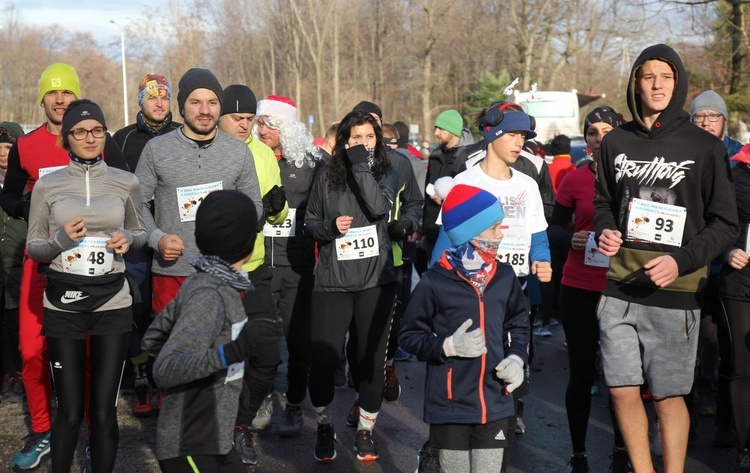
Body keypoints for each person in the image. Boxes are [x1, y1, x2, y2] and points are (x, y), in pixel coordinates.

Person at [594, 43, 739, 473]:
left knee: (667, 395)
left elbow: (725, 224)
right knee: (620, 389)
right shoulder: (615, 141)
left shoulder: (704, 146)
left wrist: (683, 260)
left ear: (678, 83)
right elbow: (604, 201)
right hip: (620, 287)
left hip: (675, 291)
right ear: (635, 83)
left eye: (666, 76)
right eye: (647, 76)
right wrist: (604, 228)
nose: (657, 85)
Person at [0, 63, 126, 471]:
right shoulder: (26, 145)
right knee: (33, 352)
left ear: (77, 98)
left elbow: (128, 194)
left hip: (94, 263)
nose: (60, 100)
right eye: (52, 93)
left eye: (67, 93)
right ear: (42, 99)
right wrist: (36, 209)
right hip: (44, 258)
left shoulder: (98, 140)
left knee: (89, 354)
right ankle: (42, 431)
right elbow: (9, 197)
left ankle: (90, 432)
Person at [26, 99, 146, 472]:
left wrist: (129, 237)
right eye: (80, 131)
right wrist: (60, 239)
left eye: (97, 130)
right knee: (71, 412)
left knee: (105, 411)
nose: (90, 137)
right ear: (68, 138)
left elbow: (142, 231)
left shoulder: (126, 182)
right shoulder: (48, 186)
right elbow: (33, 246)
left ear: (105, 134)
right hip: (64, 306)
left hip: (112, 302)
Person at [142, 189, 281, 473]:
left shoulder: (208, 281)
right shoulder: (209, 292)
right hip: (192, 444)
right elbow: (165, 368)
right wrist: (232, 351)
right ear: (250, 244)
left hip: (214, 440)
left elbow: (152, 339)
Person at [400, 183, 528, 472]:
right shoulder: (434, 281)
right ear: (471, 235)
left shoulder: (505, 276)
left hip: (496, 399)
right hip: (450, 404)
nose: (501, 234)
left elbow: (519, 324)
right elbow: (408, 336)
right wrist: (447, 346)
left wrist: (517, 359)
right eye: (494, 227)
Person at [305, 109, 398, 462]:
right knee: (323, 360)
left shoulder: (388, 170)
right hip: (333, 282)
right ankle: (325, 425)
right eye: (355, 138)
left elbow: (378, 209)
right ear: (344, 141)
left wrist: (360, 165)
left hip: (375, 281)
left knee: (370, 360)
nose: (362, 144)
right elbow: (309, 224)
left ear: (377, 140)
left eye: (369, 137)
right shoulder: (326, 176)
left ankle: (365, 430)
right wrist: (330, 227)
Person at [548, 106, 630, 472]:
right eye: (592, 132)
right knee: (581, 374)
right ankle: (579, 454)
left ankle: (621, 451)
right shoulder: (573, 179)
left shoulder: (633, 178)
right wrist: (571, 239)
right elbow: (552, 230)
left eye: (606, 131)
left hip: (620, 287)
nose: (599, 138)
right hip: (579, 285)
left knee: (620, 376)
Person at [218, 86, 289, 465]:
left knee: (266, 355)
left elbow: (277, 214)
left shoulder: (262, 153)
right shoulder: (208, 151)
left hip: (255, 266)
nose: (245, 126)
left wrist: (277, 208)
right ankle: (217, 433)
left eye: (250, 119)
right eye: (238, 119)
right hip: (214, 272)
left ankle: (240, 426)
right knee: (225, 361)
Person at [113, 72, 181, 418]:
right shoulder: (123, 139)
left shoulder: (182, 133)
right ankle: (141, 380)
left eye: (164, 97)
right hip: (136, 236)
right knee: (138, 310)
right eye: (152, 97)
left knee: (170, 311)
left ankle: (168, 382)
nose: (159, 102)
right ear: (140, 101)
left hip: (174, 236)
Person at [254, 94, 321, 441]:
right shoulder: (251, 156)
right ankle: (264, 399)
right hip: (262, 262)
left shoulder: (313, 163)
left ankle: (294, 403)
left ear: (287, 127)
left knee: (299, 341)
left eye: (269, 123)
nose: (261, 129)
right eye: (259, 122)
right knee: (263, 340)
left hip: (298, 265)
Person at [718, 143, 750, 471]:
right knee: (743, 365)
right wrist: (728, 252)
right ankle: (745, 445)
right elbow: (718, 221)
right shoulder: (735, 171)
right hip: (740, 279)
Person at [421, 109, 476, 269]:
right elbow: (427, 194)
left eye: (441, 129)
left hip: (453, 233)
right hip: (432, 231)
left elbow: (471, 196)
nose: (436, 133)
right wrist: (423, 230)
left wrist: (447, 200)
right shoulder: (435, 155)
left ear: (452, 131)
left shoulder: (468, 158)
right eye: (435, 128)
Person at [0, 122, 26, 404]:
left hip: (20, 263)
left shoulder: (26, 185)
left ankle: (19, 372)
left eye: (9, 148)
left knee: (18, 319)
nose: (3, 154)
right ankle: (6, 372)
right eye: (0, 148)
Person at [691, 90, 743, 161]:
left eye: (713, 116)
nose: (705, 123)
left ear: (725, 121)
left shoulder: (741, 158)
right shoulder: (683, 156)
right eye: (699, 116)